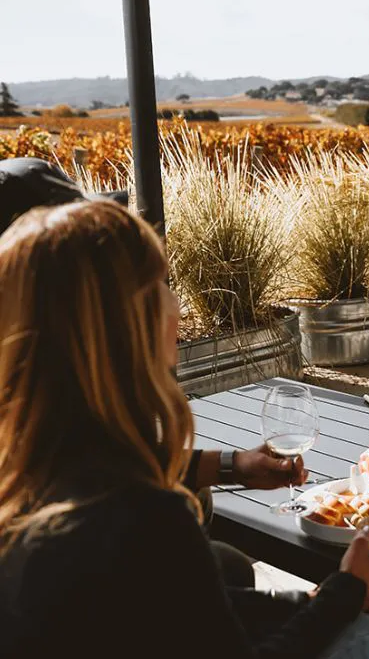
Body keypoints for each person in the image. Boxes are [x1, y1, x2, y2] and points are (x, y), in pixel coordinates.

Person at [0, 200, 369, 658]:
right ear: (129, 327)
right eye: (161, 287)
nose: (175, 304)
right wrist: (349, 588)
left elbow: (183, 617)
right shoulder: (148, 518)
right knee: (366, 636)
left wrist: (315, 600)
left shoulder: (28, 469)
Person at [0, 156, 309, 589]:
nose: (172, 305)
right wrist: (345, 595)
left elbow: (91, 468)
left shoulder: (33, 389)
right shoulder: (136, 518)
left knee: (225, 560)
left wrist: (230, 466)